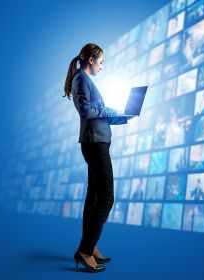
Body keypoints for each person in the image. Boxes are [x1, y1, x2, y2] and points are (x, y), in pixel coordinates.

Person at [64, 43, 134, 273]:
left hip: (96, 142)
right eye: (101, 61)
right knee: (106, 198)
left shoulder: (85, 80)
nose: (102, 66)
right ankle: (84, 251)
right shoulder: (81, 80)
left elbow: (97, 115)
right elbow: (86, 112)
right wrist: (110, 111)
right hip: (95, 145)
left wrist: (122, 116)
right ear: (91, 59)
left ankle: (90, 246)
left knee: (94, 197)